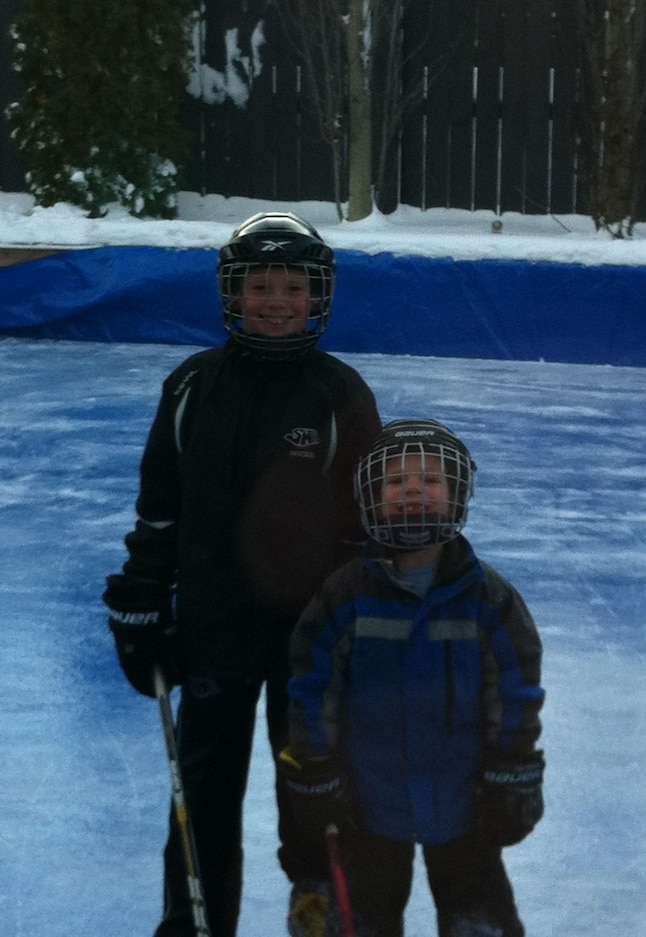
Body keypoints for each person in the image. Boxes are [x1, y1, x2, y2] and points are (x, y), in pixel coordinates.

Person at [103, 211, 382, 937]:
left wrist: (361, 627)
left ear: (318, 295)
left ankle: (321, 909)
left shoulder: (340, 395)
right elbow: (160, 510)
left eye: (293, 286)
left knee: (315, 790)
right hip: (212, 636)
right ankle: (192, 920)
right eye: (260, 285)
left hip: (308, 646)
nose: (277, 300)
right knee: (202, 794)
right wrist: (139, 602)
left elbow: (365, 530)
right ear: (233, 291)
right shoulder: (193, 386)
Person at [281, 419, 545, 937]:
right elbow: (313, 688)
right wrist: (315, 769)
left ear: (455, 496)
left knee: (480, 920)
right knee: (360, 919)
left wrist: (513, 769)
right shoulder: (345, 594)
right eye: (397, 482)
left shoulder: (489, 599)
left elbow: (515, 693)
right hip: (368, 808)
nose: (413, 493)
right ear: (372, 498)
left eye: (430, 482)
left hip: (465, 807)